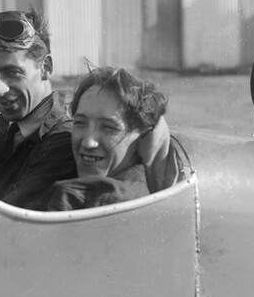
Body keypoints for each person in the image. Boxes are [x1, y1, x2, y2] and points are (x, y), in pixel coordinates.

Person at [0, 9, 77, 209]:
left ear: (45, 68)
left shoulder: (64, 139)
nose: (0, 89)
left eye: (13, 73)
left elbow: (7, 218)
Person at [43, 66, 180, 211]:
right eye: (80, 123)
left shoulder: (71, 199)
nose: (88, 142)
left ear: (143, 136)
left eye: (108, 128)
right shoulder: (143, 188)